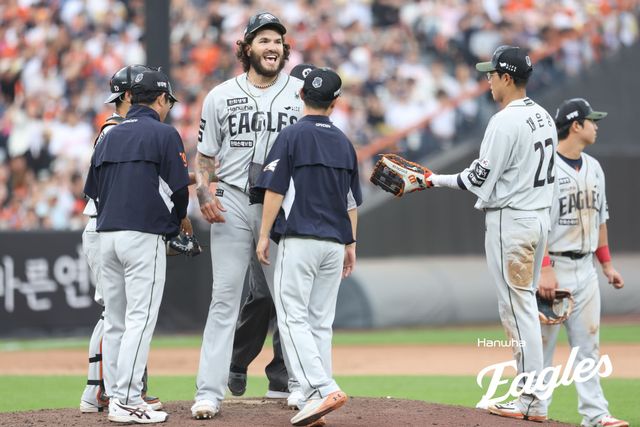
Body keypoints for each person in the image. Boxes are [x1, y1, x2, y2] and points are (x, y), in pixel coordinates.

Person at [426, 45, 557, 422]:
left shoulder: (504, 121)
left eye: (492, 73)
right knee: (524, 308)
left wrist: (431, 179)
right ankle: (533, 397)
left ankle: (531, 399)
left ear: (507, 77)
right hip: (537, 219)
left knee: (517, 312)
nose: (488, 80)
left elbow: (476, 179)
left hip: (511, 221)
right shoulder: (543, 115)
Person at [192, 12, 304, 419]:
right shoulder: (220, 95)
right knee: (224, 298)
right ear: (247, 48)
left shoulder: (301, 93)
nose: (272, 47)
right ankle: (208, 392)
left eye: (277, 41)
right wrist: (203, 191)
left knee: (288, 299)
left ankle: (300, 383)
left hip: (282, 202)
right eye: (264, 40)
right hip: (234, 199)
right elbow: (205, 156)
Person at [83, 67, 190, 424]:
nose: (169, 106)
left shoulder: (109, 134)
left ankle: (115, 395)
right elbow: (179, 190)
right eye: (168, 100)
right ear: (159, 98)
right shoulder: (164, 133)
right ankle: (127, 399)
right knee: (139, 319)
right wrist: (176, 222)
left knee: (116, 321)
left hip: (106, 235)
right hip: (142, 235)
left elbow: (92, 190)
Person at [256, 67, 359, 427]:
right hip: (334, 242)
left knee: (292, 317)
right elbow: (350, 201)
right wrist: (351, 242)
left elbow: (275, 189)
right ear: (335, 102)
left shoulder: (291, 135)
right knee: (320, 322)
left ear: (301, 95)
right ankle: (315, 397)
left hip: (299, 238)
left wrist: (264, 234)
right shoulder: (344, 143)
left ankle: (322, 387)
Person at [227, 62, 318, 402]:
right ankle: (238, 360)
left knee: (291, 301)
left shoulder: (319, 130)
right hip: (264, 214)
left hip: (300, 222)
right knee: (264, 294)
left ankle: (281, 377)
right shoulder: (275, 116)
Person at [537, 98, 627, 427]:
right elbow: (536, 225)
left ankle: (596, 414)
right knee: (541, 349)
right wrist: (544, 268)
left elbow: (600, 218)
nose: (596, 126)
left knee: (588, 346)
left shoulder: (595, 167)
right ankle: (534, 410)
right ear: (576, 125)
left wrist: (607, 265)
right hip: (553, 269)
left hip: (586, 269)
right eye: (591, 120)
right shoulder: (547, 169)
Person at [79, 64, 162, 414]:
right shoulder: (116, 129)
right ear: (130, 95)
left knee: (119, 315)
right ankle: (101, 389)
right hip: (106, 223)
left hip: (107, 224)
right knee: (116, 314)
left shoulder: (117, 129)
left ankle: (108, 389)